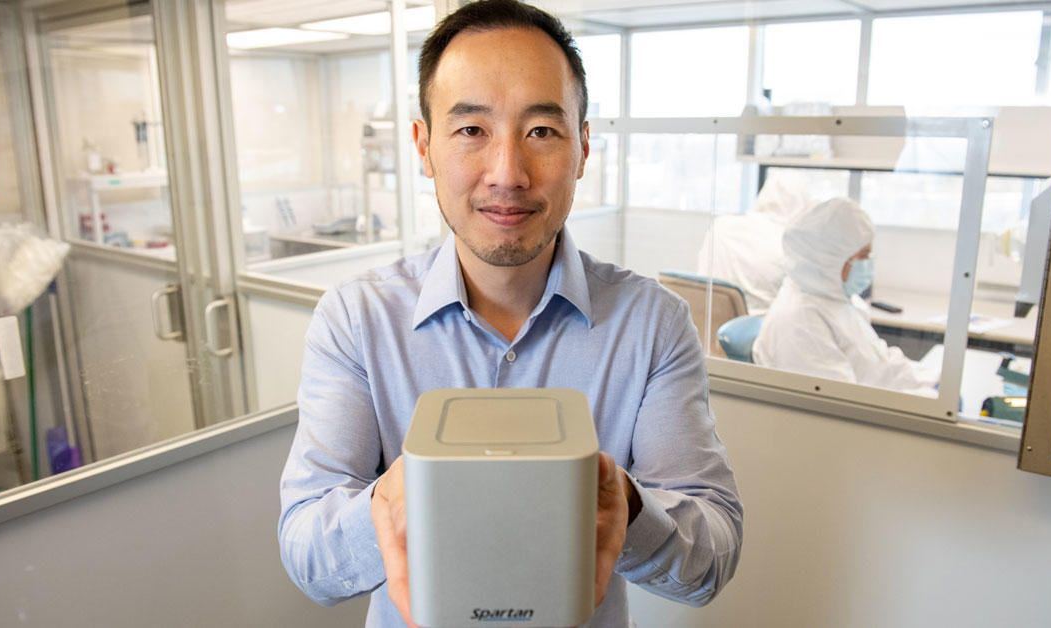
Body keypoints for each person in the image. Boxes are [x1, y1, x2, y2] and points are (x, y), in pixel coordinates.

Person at [277, 2, 744, 626]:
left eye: (542, 131)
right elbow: (308, 556)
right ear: (424, 146)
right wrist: (388, 505)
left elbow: (710, 560)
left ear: (582, 148)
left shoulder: (652, 324)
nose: (508, 174)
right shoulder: (356, 320)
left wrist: (624, 507)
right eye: (471, 130)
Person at [752, 197, 938, 396]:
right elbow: (841, 401)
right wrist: (927, 400)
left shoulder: (834, 299)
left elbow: (879, 363)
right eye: (863, 255)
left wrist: (933, 381)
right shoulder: (801, 322)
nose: (868, 263)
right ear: (829, 259)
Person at [696, 175, 811, 314]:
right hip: (756, 329)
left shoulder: (720, 225)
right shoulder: (786, 242)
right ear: (802, 204)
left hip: (707, 321)